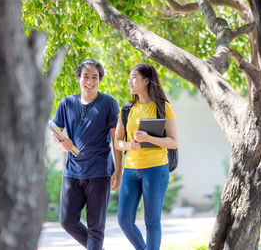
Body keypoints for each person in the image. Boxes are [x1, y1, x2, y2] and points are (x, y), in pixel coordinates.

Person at [51, 58, 122, 250]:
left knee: (96, 228)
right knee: (67, 222)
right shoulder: (66, 103)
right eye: (86, 77)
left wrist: (119, 170)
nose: (90, 82)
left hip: (99, 172)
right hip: (72, 172)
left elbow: (116, 140)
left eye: (95, 77)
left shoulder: (109, 104)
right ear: (78, 78)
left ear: (100, 79)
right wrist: (61, 146)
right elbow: (55, 135)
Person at [114, 63, 179, 250]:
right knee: (124, 219)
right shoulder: (126, 109)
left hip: (156, 169)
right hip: (130, 171)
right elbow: (117, 141)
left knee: (152, 221)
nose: (130, 81)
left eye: (134, 77)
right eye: (130, 77)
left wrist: (149, 138)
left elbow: (174, 141)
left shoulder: (162, 107)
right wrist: (128, 145)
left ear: (146, 80)